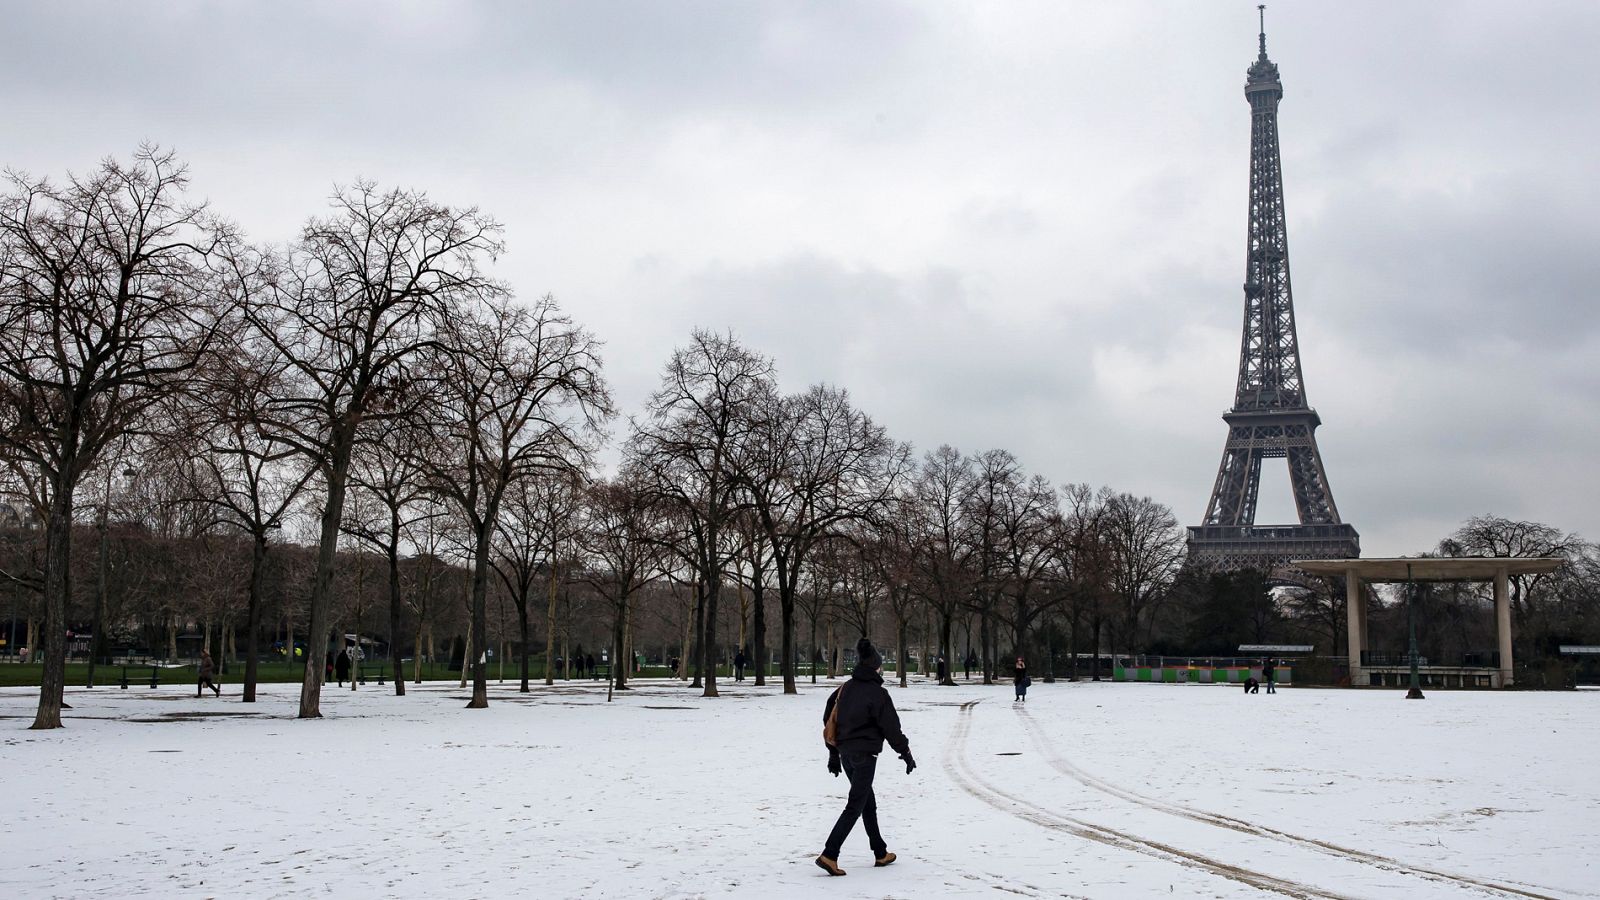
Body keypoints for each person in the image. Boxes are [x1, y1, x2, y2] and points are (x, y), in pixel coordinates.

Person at [816, 637, 914, 877]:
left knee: (867, 802)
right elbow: (892, 729)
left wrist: (833, 754)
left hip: (846, 755)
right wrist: (905, 752)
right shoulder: (878, 694)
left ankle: (880, 852)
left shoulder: (844, 689)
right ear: (876, 667)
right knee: (855, 805)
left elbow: (829, 720)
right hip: (865, 756)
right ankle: (829, 854)